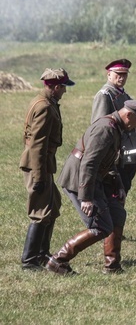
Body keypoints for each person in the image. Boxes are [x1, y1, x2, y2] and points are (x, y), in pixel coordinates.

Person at [46, 100, 136, 275]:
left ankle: (112, 266)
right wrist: (85, 197)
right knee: (100, 226)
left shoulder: (117, 127)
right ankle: (58, 261)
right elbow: (89, 163)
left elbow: (109, 160)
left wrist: (119, 185)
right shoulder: (106, 129)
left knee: (118, 214)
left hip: (96, 178)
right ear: (128, 115)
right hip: (81, 180)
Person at [19, 68, 75, 270]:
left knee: (52, 206)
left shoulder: (46, 102)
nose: (65, 92)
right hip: (38, 164)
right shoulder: (44, 107)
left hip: (43, 163)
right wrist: (39, 176)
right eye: (63, 88)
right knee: (41, 210)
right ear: (56, 87)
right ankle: (30, 260)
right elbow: (37, 145)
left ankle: (42, 253)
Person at [91, 59, 136, 194]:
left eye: (125, 74)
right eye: (118, 74)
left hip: (131, 150)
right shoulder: (105, 95)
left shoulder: (123, 94)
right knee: (115, 189)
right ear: (109, 74)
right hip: (117, 151)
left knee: (125, 186)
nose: (121, 77)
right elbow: (100, 127)